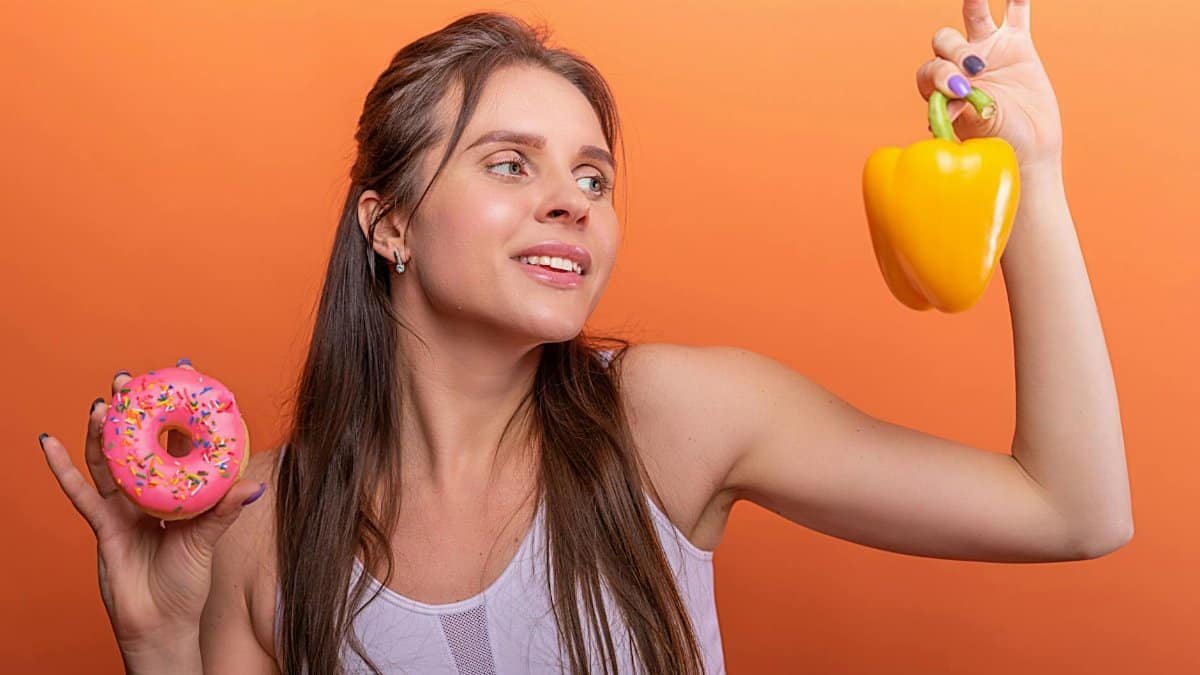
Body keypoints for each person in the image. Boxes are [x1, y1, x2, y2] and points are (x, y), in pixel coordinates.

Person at [39, 3, 1132, 673]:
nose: (572, 200)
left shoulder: (669, 421)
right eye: (510, 163)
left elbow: (1073, 511)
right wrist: (161, 650)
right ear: (390, 225)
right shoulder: (258, 528)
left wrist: (1032, 180)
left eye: (593, 175)